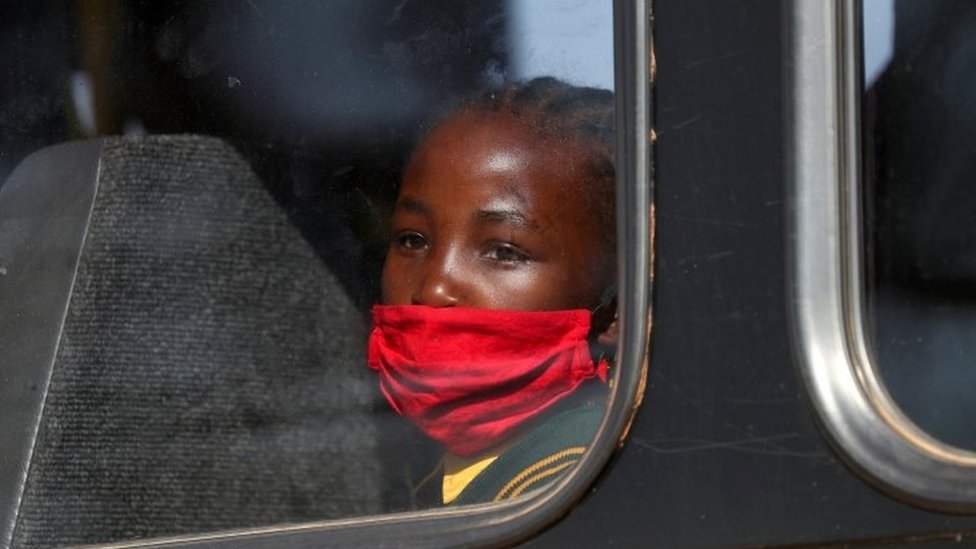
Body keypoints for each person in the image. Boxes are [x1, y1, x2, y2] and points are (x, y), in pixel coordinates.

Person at [368, 77, 617, 506]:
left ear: (615, 309)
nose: (434, 286)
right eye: (413, 240)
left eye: (502, 250)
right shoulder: (432, 475)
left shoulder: (589, 481)